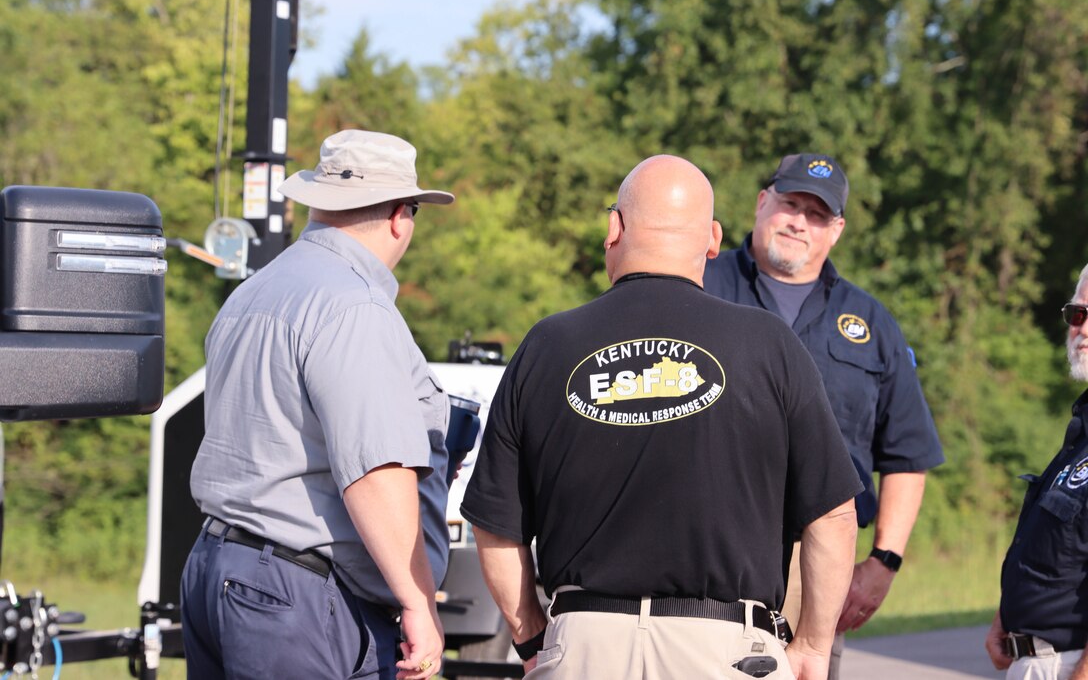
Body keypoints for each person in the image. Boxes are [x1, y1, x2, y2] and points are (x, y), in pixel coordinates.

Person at [461, 154, 862, 679]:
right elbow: (832, 515)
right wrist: (812, 643)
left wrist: (534, 634)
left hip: (585, 646)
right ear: (714, 239)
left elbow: (496, 525)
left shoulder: (547, 345)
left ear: (614, 228)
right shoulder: (769, 345)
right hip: (729, 654)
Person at [181, 130, 454, 680]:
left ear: (318, 202)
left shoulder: (253, 292)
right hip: (290, 596)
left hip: (214, 568)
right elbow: (378, 471)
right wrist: (418, 603)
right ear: (402, 215)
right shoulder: (354, 305)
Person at [703, 153, 945, 677]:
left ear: (835, 230)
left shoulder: (871, 323)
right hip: (703, 550)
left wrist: (884, 563)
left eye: (816, 215)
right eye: (790, 204)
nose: (798, 222)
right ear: (762, 202)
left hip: (815, 566)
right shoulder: (699, 285)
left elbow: (907, 455)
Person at [984, 264, 1088, 680]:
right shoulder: (1081, 430)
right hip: (1037, 659)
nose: (1081, 328)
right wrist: (1005, 618)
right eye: (1077, 314)